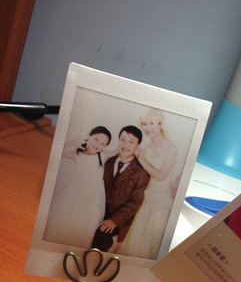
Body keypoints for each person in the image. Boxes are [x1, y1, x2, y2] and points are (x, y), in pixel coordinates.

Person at [118, 109, 177, 259]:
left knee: (150, 236)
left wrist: (142, 160)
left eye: (152, 123)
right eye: (144, 124)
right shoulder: (146, 148)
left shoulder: (171, 148)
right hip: (143, 196)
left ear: (160, 125)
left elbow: (161, 175)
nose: (148, 128)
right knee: (136, 236)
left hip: (159, 198)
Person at [44, 126, 112, 248]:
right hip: (75, 195)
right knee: (66, 221)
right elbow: (56, 151)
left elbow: (121, 151)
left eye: (103, 144)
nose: (97, 145)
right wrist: (72, 142)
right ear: (89, 136)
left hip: (92, 200)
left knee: (85, 227)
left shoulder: (103, 156)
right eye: (96, 139)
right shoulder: (76, 153)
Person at [91, 125, 150, 253]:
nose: (126, 145)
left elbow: (135, 202)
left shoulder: (141, 172)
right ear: (118, 140)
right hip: (97, 210)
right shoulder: (108, 161)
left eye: (131, 142)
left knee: (100, 238)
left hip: (117, 218)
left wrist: (114, 221)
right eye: (123, 139)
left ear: (138, 146)